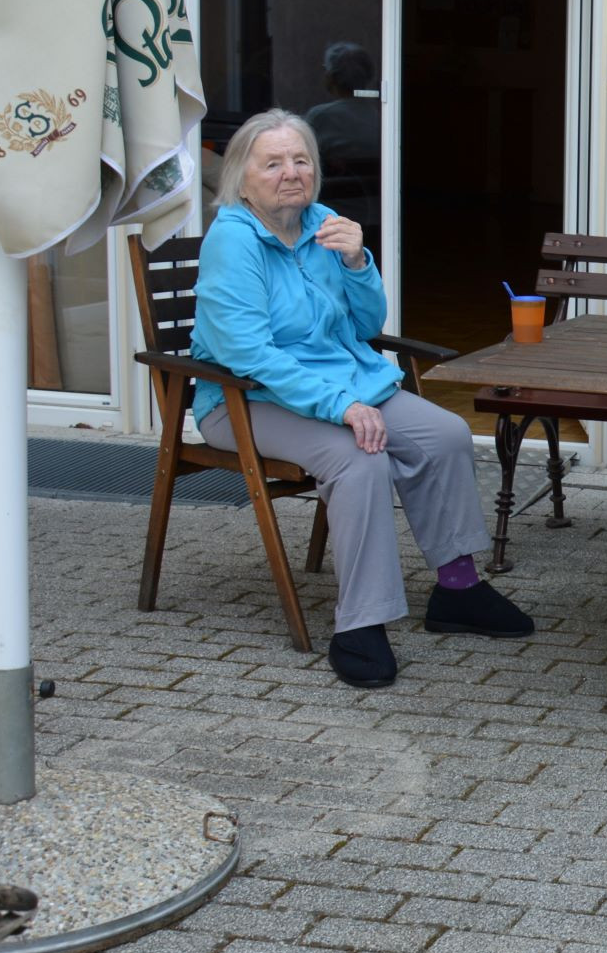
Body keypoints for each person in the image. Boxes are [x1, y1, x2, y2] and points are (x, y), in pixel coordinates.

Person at [191, 110, 532, 690]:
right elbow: (250, 354)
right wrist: (342, 407)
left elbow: (368, 322)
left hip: (343, 384)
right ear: (241, 176)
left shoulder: (324, 224)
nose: (290, 173)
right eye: (272, 163)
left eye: (300, 160)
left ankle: (458, 590)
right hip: (245, 399)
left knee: (446, 434)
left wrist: (357, 262)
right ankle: (360, 623)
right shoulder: (233, 241)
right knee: (358, 459)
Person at [303, 43, 381, 246]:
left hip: (331, 219)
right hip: (377, 216)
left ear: (331, 77)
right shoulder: (381, 119)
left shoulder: (320, 117)